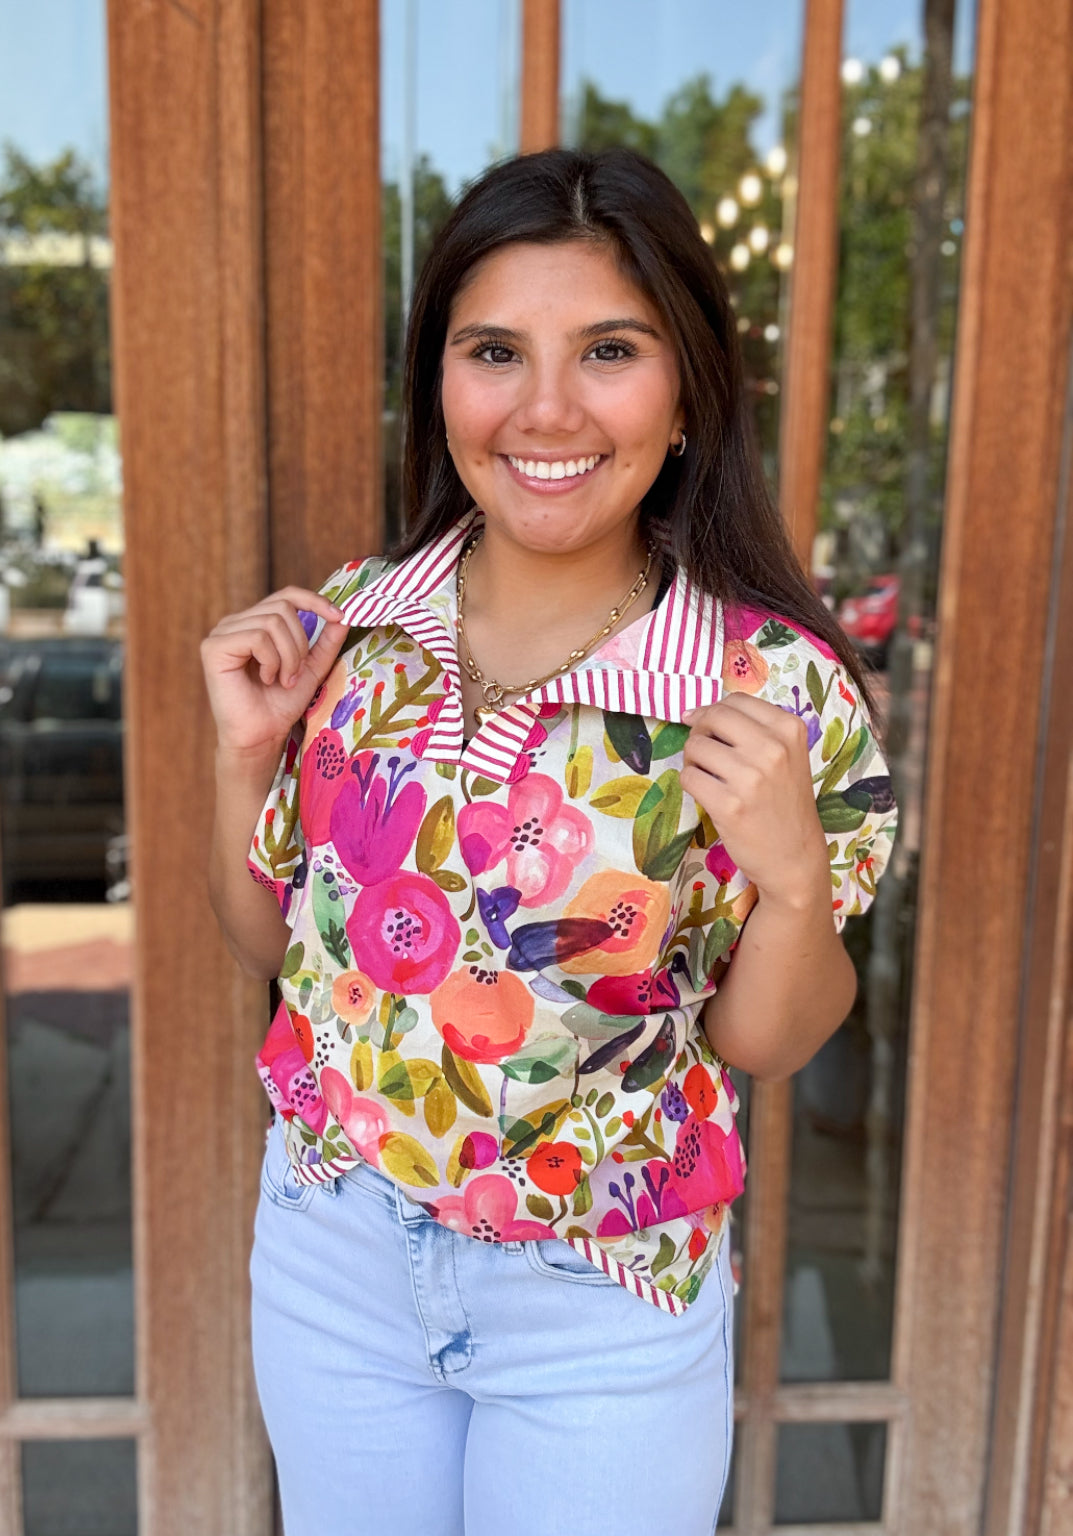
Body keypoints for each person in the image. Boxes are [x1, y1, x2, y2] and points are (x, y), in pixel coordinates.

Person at [201, 147, 897, 1536]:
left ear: (688, 387)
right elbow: (282, 953)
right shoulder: (353, 628)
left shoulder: (774, 683)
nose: (546, 409)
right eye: (495, 351)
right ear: (440, 381)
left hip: (600, 1294)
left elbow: (768, 1042)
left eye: (609, 350)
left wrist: (789, 879)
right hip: (335, 1254)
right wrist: (243, 762)